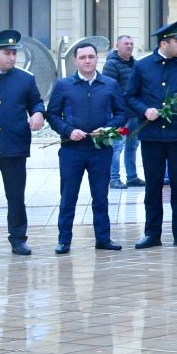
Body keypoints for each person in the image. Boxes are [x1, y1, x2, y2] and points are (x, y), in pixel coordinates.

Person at [128, 19, 177, 248]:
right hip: (152, 136)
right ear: (164, 43)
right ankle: (152, 233)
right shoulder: (142, 66)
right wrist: (145, 110)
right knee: (153, 185)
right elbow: (130, 96)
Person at [47, 41, 129, 253]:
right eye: (82, 57)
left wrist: (108, 128)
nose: (87, 61)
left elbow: (122, 113)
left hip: (100, 149)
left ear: (97, 58)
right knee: (68, 196)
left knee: (101, 195)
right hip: (72, 150)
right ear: (75, 60)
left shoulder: (109, 84)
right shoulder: (64, 85)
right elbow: (53, 115)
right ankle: (64, 239)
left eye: (91, 57)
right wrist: (68, 130)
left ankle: (103, 238)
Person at [0, 30, 46, 258]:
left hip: (14, 149)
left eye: (15, 53)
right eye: (7, 53)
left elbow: (36, 103)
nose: (13, 58)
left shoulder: (25, 79)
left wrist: (38, 114)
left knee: (16, 196)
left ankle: (18, 239)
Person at [103, 34, 144, 189]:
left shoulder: (136, 64)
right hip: (119, 114)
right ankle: (113, 178)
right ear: (117, 46)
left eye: (131, 43)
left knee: (132, 147)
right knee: (116, 147)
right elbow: (107, 90)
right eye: (126, 43)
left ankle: (132, 177)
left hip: (135, 113)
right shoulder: (111, 65)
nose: (129, 46)